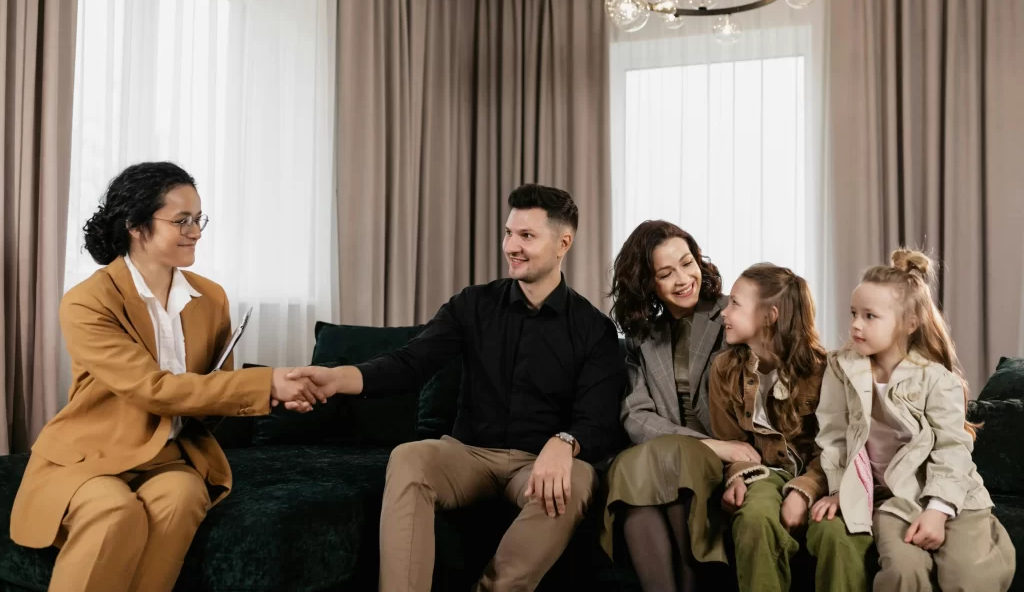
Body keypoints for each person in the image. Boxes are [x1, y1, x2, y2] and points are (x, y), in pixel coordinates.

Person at [287, 184, 625, 592]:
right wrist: (337, 377)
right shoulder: (472, 304)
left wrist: (564, 442)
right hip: (468, 454)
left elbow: (599, 418)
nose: (511, 246)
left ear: (563, 243)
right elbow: (409, 364)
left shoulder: (594, 329)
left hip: (536, 462)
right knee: (410, 458)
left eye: (526, 236)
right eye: (508, 233)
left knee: (578, 479)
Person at [9, 162, 323, 592]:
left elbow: (213, 394)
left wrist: (279, 397)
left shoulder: (210, 298)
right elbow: (152, 389)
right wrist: (265, 383)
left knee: (183, 497)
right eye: (182, 221)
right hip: (93, 454)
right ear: (137, 226)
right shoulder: (88, 301)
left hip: (172, 456)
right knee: (114, 510)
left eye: (199, 219)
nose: (196, 231)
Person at [810, 249, 1016, 591]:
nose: (856, 325)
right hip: (896, 501)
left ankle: (985, 542)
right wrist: (838, 489)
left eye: (870, 316)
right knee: (903, 570)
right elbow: (833, 436)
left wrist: (937, 509)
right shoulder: (840, 368)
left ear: (909, 323)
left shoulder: (936, 379)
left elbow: (952, 449)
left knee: (967, 575)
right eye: (853, 314)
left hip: (953, 495)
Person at [601, 221, 756, 591]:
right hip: (682, 450)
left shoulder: (730, 315)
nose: (684, 279)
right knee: (632, 474)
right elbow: (635, 417)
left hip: (714, 457)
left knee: (664, 474)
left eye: (688, 263)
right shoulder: (642, 336)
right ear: (647, 283)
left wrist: (717, 448)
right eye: (666, 273)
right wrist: (712, 446)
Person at [709, 263, 864, 592]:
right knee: (754, 519)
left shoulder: (827, 371)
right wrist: (737, 475)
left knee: (835, 533)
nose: (725, 311)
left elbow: (836, 449)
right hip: (765, 472)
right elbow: (731, 442)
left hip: (821, 473)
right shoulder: (723, 370)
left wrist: (804, 489)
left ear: (770, 315)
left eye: (735, 303)